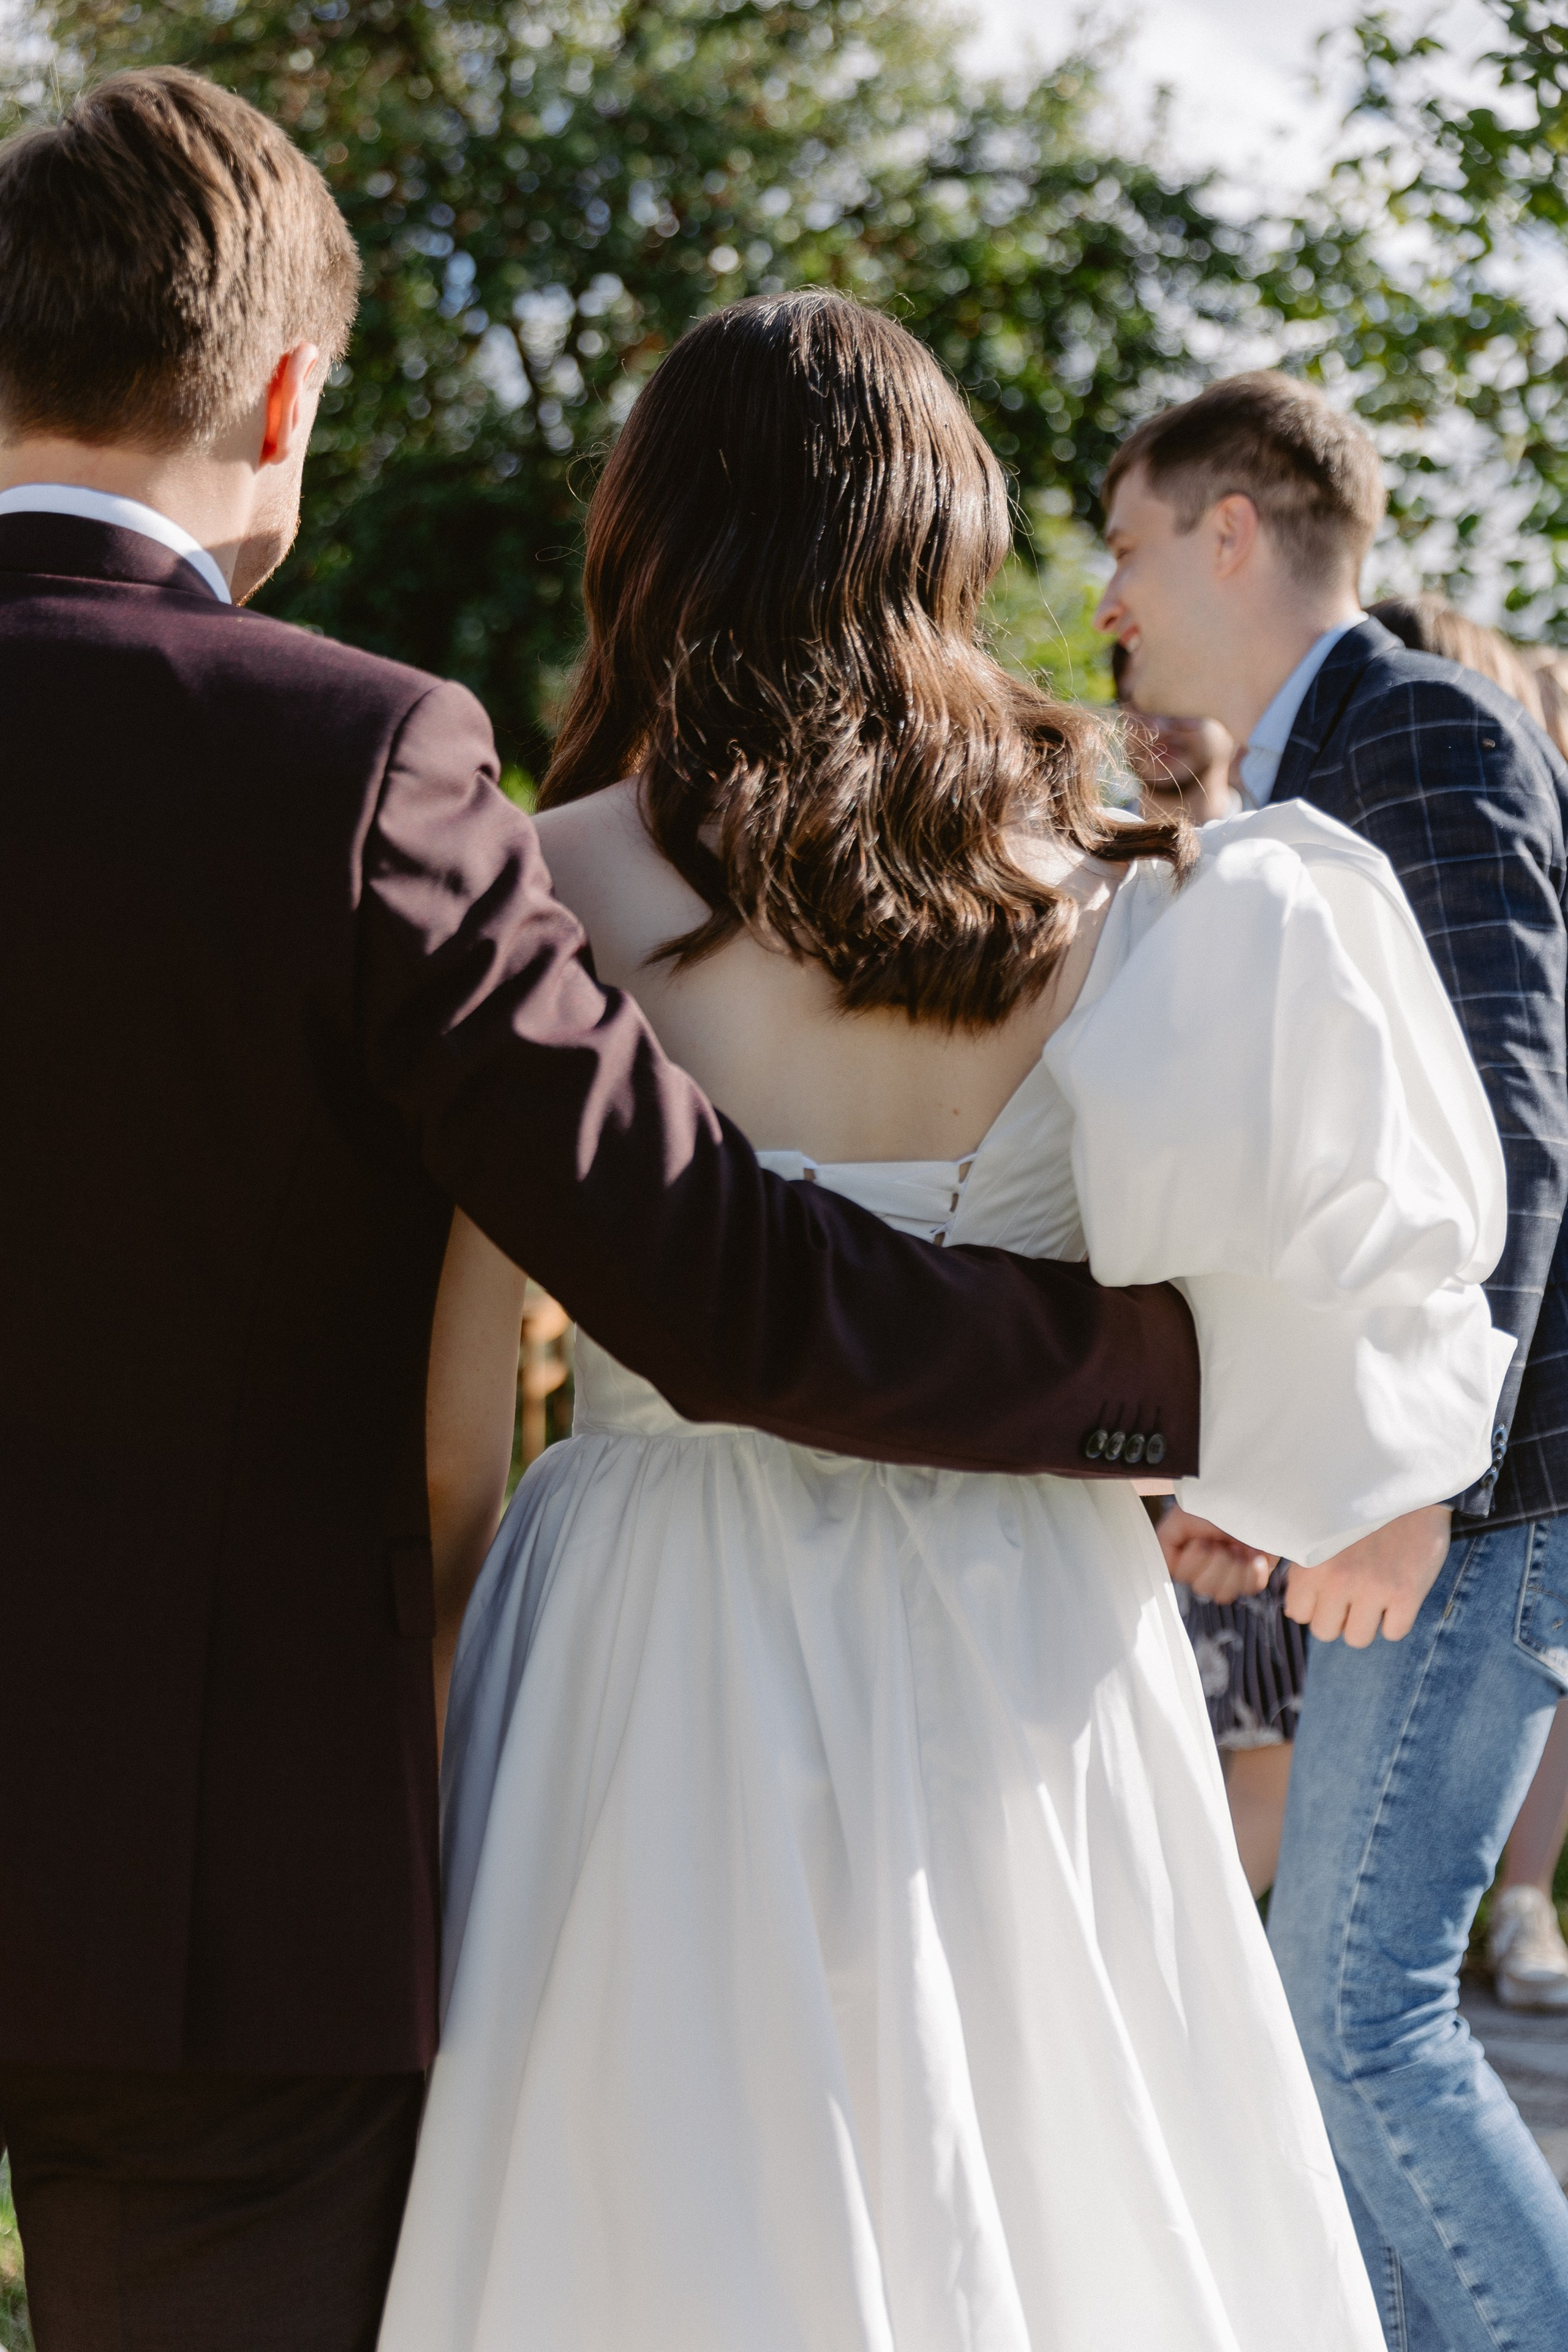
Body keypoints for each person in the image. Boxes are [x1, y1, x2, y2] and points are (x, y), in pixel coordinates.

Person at [0, 72, 1215, 2352]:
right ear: (282, 396)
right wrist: (1151, 1373)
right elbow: (715, 1282)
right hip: (192, 1900)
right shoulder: (346, 762)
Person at [379, 292, 1509, 2352]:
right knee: (1035, 2179)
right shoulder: (1118, 867)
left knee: (652, 2212)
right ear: (949, 540)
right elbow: (1231, 1265)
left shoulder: (547, 887)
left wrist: (443, 1713)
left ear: (652, 539)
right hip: (1021, 1615)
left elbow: (457, 1423)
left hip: (646, 1615)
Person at [1096, 368, 1568, 2352]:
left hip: (1494, 1494)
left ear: (1231, 528)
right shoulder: (1300, 760)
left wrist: (1407, 1487)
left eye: (1124, 546)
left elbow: (1521, 1130)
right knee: (1337, 2024)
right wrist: (1273, 1487)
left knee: (1356, 2019)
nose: (1105, 599)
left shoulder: (1416, 726)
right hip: (1411, 1491)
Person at [1371, 595, 1568, 2011]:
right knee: (1366, 1996)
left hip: (1488, 1445)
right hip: (1463, 1440)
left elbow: (1511, 1133)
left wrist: (1439, 1456)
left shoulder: (1464, 812)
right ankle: (1517, 1910)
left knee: (1364, 2005)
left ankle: (1520, 1908)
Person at [1110, 633, 1239, 821]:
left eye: (1181, 702)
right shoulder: (1078, 847)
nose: (1158, 728)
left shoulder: (1285, 841)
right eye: (1139, 703)